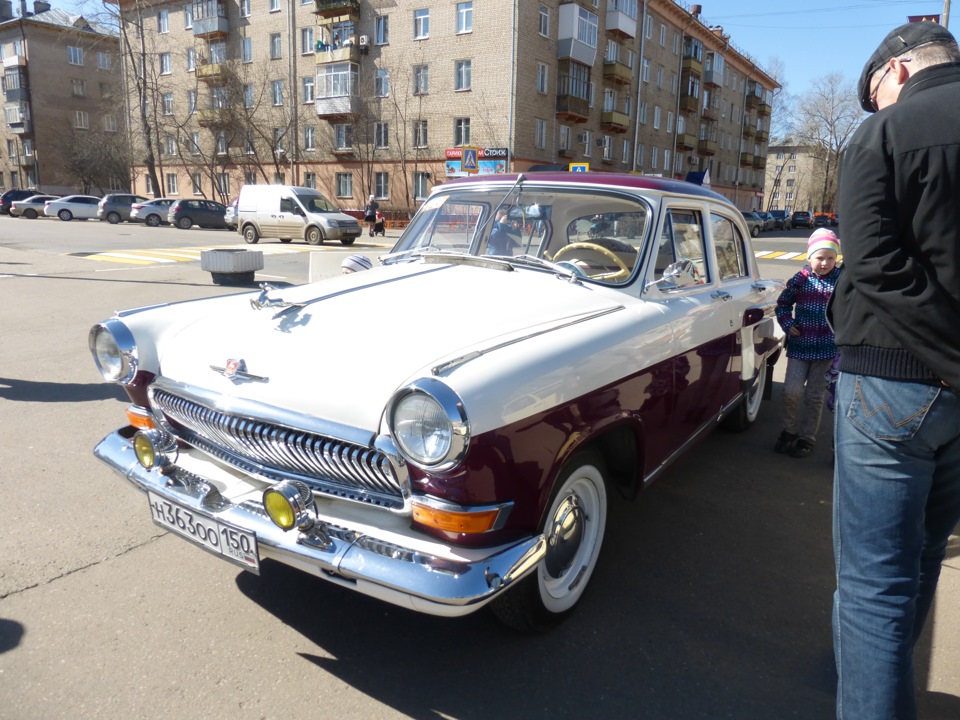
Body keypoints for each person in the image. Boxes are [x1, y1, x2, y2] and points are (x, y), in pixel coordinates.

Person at [828, 21, 960, 719]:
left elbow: (873, 262)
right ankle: (866, 672)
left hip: (892, 381)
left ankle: (866, 683)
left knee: (872, 585)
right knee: (924, 555)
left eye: (874, 90)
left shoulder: (883, 134)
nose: (874, 105)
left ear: (899, 71)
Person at [773, 228, 842, 458]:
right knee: (791, 391)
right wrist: (787, 323)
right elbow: (782, 305)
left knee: (814, 396)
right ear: (809, 257)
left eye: (830, 258)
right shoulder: (800, 280)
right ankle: (788, 431)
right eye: (820, 257)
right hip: (800, 346)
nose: (825, 263)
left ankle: (806, 438)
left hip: (826, 349)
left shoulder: (841, 280)